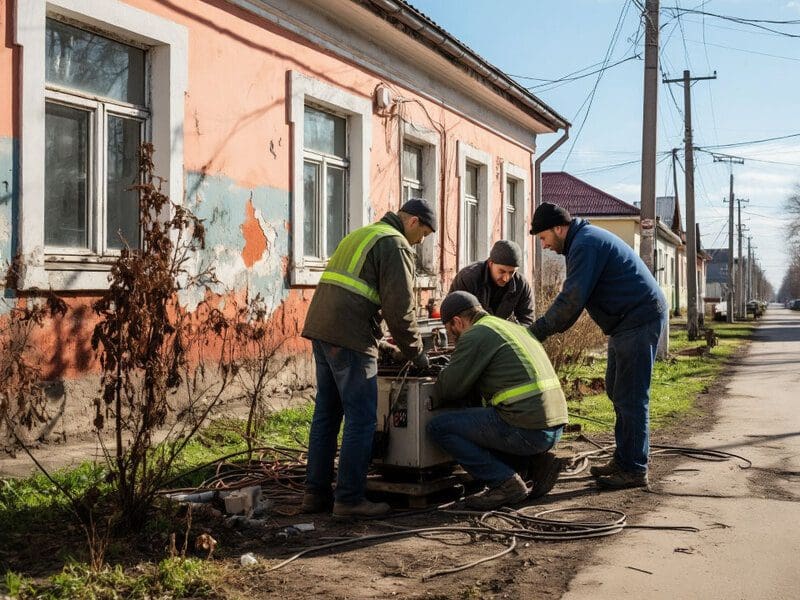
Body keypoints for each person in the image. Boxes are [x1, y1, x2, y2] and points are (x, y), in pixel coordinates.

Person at [301, 199, 435, 518]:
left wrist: (384, 343)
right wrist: (417, 355)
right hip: (349, 336)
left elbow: (358, 290)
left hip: (321, 329)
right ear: (413, 221)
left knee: (327, 414)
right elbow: (400, 312)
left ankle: (315, 494)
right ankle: (349, 499)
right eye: (425, 233)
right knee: (361, 418)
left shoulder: (362, 234)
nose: (422, 242)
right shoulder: (396, 244)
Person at [529, 202, 668, 490]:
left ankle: (633, 469)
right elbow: (574, 299)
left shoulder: (586, 244)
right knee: (617, 388)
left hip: (639, 318)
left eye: (543, 238)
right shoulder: (582, 241)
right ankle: (624, 458)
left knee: (630, 396)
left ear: (558, 228)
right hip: (625, 322)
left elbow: (571, 301)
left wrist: (535, 333)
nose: (543, 246)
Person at [427, 291, 568, 510]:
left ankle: (504, 483)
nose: (453, 337)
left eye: (450, 331)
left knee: (439, 427)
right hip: (555, 427)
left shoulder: (475, 335)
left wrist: (438, 380)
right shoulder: (509, 327)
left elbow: (448, 388)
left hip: (529, 431)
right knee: (486, 418)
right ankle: (534, 463)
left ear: (457, 321)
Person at [449, 240, 534, 326]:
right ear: (490, 263)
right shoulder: (468, 278)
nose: (506, 278)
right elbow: (453, 315)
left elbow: (526, 321)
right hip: (469, 333)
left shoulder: (521, 285)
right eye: (502, 271)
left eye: (511, 272)